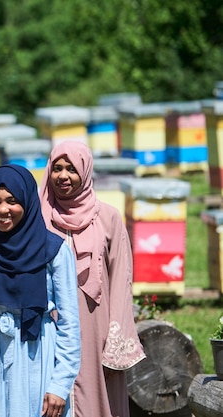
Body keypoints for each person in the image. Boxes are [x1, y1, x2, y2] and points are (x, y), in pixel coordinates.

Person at [0, 164, 81, 417]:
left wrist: (60, 384)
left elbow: (70, 325)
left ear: (28, 203)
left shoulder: (55, 252)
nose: (3, 210)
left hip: (37, 355)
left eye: (12, 201)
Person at [39, 141, 146, 417]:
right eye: (57, 168)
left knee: (99, 401)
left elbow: (122, 281)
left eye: (72, 169)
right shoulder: (38, 217)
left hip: (96, 329)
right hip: (49, 329)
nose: (63, 176)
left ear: (85, 172)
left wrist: (116, 340)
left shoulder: (109, 218)